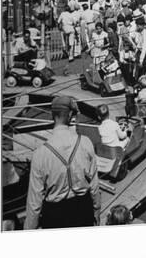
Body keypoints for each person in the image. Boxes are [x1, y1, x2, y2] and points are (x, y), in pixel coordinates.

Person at [24, 96, 101, 229]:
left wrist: (29, 229)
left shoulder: (40, 154)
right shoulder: (85, 143)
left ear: (52, 116)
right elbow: (94, 186)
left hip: (55, 217)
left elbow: (34, 204)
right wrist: (97, 213)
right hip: (83, 211)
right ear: (70, 115)